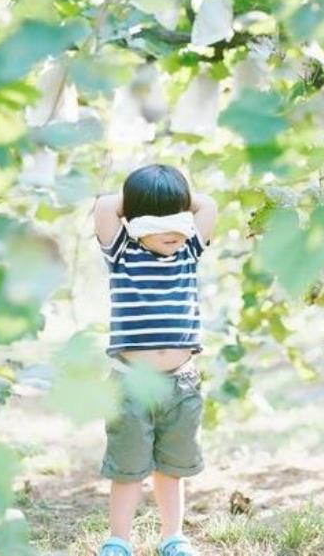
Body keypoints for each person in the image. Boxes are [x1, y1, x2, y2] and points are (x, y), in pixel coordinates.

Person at [92, 163, 218, 556]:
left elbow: (208, 205)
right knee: (127, 468)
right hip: (131, 383)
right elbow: (104, 206)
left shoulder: (188, 252)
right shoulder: (122, 252)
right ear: (134, 221)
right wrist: (140, 200)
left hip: (181, 383)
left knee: (172, 467)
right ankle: (118, 540)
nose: (173, 230)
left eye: (179, 219)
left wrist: (173, 197)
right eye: (158, 222)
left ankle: (172, 537)